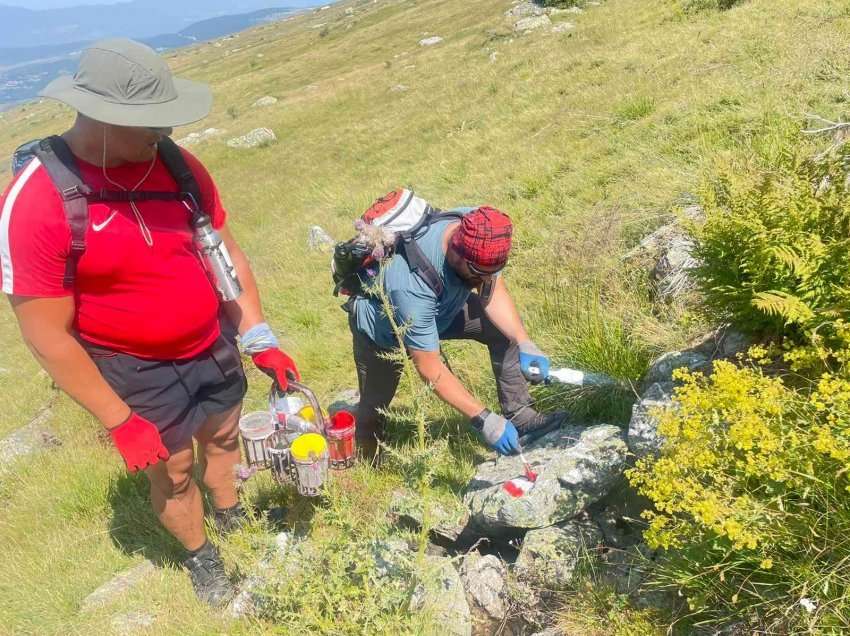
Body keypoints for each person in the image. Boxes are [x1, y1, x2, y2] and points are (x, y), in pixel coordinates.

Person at [0, 39, 299, 606]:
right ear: (101, 116)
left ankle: (231, 515)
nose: (161, 134)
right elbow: (44, 334)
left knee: (225, 435)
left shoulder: (178, 165)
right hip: (132, 365)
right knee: (176, 469)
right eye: (148, 124)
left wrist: (259, 336)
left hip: (210, 341)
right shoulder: (39, 200)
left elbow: (226, 255)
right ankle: (201, 556)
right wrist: (119, 421)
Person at [348, 192, 566, 458]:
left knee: (502, 333)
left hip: (443, 309)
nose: (482, 281)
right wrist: (484, 419)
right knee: (375, 404)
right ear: (456, 251)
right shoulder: (409, 284)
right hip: (386, 331)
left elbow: (493, 291)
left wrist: (524, 341)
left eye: (489, 273)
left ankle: (521, 416)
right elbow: (429, 367)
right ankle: (368, 459)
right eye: (477, 273)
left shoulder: (482, 232)